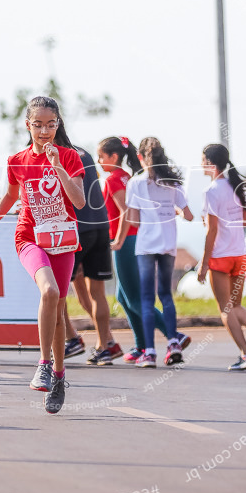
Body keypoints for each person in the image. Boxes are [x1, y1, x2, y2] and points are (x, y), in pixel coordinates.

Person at [0, 97, 85, 414]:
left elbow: (80, 201)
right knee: (49, 291)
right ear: (27, 125)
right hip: (29, 238)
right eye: (38, 124)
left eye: (50, 124)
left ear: (57, 125)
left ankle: (59, 377)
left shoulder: (71, 157)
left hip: (62, 239)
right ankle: (44, 363)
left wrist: (58, 166)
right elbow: (8, 199)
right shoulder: (17, 160)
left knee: (59, 306)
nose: (44, 131)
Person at [101, 136, 184, 364]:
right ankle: (141, 345)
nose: (99, 161)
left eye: (102, 156)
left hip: (128, 241)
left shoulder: (115, 179)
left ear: (114, 157)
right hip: (136, 239)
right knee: (123, 296)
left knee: (137, 299)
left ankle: (172, 336)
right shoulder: (128, 177)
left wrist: (117, 240)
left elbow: (125, 213)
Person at [197, 144, 246, 372]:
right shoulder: (236, 187)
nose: (200, 164)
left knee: (226, 309)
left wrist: (204, 262)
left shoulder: (211, 191)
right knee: (236, 305)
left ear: (210, 163)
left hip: (220, 256)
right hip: (239, 253)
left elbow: (212, 231)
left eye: (202, 160)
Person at [122, 137, 193, 368]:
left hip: (146, 246)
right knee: (165, 295)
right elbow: (189, 215)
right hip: (168, 245)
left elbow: (132, 219)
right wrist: (173, 211)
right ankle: (173, 342)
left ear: (140, 157)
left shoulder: (136, 182)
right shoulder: (173, 183)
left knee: (145, 298)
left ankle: (150, 352)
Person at [61, 145, 122, 366]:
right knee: (94, 292)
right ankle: (106, 344)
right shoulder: (82, 152)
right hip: (99, 225)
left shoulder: (56, 153)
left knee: (56, 288)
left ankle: (71, 338)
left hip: (76, 228)